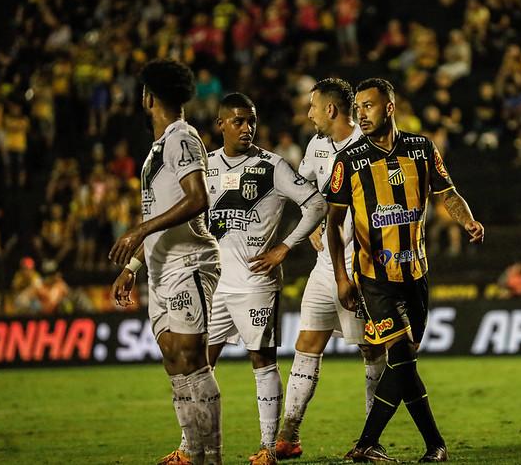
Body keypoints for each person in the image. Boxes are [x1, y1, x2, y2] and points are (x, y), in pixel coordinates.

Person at [326, 78, 484, 462]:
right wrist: (342, 277)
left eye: (369, 106)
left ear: (389, 108)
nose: (360, 114)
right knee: (399, 356)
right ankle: (367, 443)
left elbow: (448, 193)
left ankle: (435, 446)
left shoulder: (422, 148)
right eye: (358, 107)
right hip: (375, 278)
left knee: (404, 362)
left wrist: (468, 220)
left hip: (416, 273)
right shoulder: (348, 161)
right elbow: (332, 224)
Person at [201, 92, 327, 465]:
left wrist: (285, 247)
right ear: (220, 124)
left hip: (257, 282)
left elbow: (316, 204)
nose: (246, 127)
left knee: (262, 359)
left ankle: (268, 448)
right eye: (238, 120)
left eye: (251, 120)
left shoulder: (272, 166)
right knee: (200, 365)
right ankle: (194, 446)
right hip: (216, 283)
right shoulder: (206, 167)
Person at [108, 59, 222, 465]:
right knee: (174, 359)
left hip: (189, 261)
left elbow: (197, 200)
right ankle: (191, 451)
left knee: (193, 358)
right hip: (159, 266)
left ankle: (212, 457)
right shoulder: (159, 148)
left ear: (147, 97)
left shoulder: (182, 138)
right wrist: (132, 267)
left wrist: (138, 229)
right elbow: (164, 208)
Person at [275, 79, 387, 460]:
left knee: (372, 351)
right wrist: (310, 232)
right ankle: (288, 434)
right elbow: (307, 192)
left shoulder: (370, 149)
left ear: (331, 110)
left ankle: (371, 439)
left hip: (364, 266)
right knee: (307, 343)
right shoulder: (317, 147)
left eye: (312, 107)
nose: (308, 114)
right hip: (326, 264)